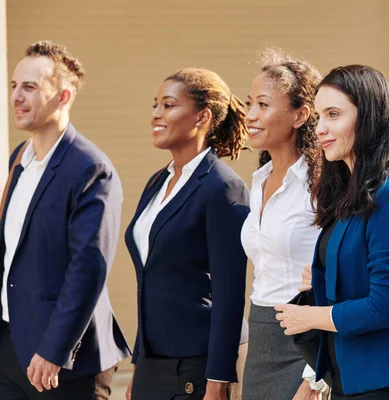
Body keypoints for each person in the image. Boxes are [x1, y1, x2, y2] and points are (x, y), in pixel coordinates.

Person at [275, 64, 389, 399]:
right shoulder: (348, 194)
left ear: (368, 118)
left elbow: (384, 308)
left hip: (387, 386)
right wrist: (322, 279)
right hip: (348, 382)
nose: (320, 128)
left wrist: (308, 316)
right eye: (319, 117)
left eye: (333, 114)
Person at [0, 41, 130, 399]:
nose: (16, 97)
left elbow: (87, 268)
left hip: (63, 363)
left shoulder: (90, 169)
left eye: (30, 87)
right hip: (10, 350)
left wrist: (54, 350)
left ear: (63, 97)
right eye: (14, 86)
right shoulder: (19, 160)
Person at [124, 68, 250, 400]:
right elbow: (150, 281)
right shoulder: (157, 182)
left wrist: (218, 379)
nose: (156, 114)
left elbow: (229, 293)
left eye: (168, 105)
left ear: (202, 117)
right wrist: (139, 366)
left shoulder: (223, 187)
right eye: (155, 105)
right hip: (152, 362)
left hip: (196, 365)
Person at [241, 48, 326, 400]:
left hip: (306, 341)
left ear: (300, 115)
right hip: (261, 336)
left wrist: (314, 378)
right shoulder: (258, 181)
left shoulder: (322, 185)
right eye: (249, 104)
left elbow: (337, 281)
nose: (250, 115)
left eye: (263, 104)